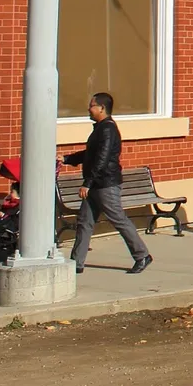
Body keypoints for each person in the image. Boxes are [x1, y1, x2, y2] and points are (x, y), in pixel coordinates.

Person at [61, 92, 152, 274]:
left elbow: (101, 158)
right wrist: (67, 158)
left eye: (92, 105)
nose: (89, 108)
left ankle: (142, 255)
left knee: (118, 219)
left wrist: (87, 183)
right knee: (84, 222)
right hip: (96, 184)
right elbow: (91, 153)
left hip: (105, 184)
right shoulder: (100, 128)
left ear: (101, 108)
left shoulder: (108, 129)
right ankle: (76, 263)